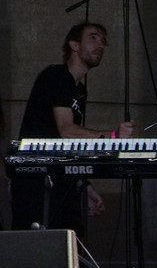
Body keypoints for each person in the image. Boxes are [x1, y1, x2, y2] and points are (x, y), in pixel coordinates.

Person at [11, 22, 134, 232]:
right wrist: (112, 135)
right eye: (93, 38)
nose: (100, 45)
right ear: (74, 45)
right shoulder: (57, 76)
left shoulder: (79, 90)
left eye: (103, 41)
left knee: (70, 240)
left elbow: (70, 145)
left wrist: (85, 186)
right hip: (37, 181)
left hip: (60, 179)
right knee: (42, 244)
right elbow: (67, 131)